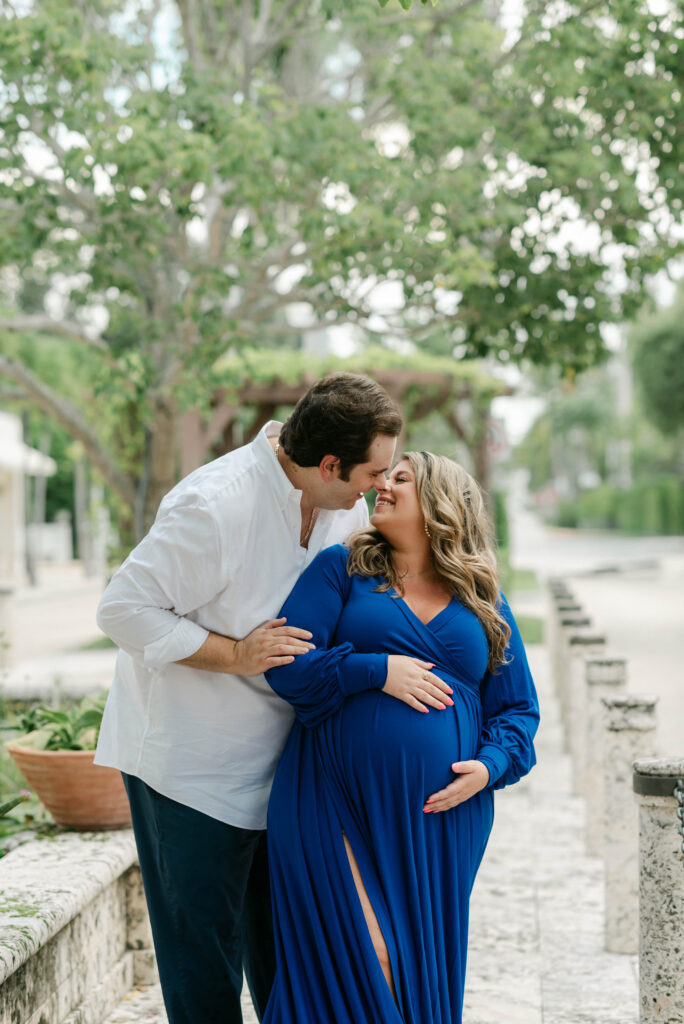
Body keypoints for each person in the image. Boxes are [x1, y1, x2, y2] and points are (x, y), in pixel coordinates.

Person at [93, 373, 452, 1024]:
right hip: (189, 768)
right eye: (373, 472)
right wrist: (234, 653)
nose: (382, 485)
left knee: (291, 962)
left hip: (286, 774)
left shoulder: (343, 504)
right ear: (329, 463)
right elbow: (122, 609)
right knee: (204, 965)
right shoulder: (214, 505)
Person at [262, 451, 540, 1024]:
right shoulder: (341, 570)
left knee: (416, 975)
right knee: (370, 958)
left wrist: (488, 768)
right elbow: (286, 666)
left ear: (441, 504)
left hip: (438, 820)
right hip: (331, 797)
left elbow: (517, 711)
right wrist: (376, 670)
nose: (382, 485)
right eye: (385, 476)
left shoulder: (482, 599)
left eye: (400, 478)